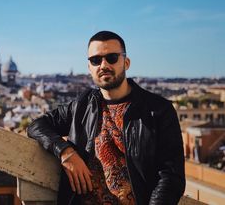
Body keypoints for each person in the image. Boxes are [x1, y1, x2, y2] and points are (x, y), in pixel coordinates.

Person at [27, 31, 185, 205]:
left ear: (126, 62)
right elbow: (36, 126)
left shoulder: (158, 110)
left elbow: (171, 177)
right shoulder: (81, 106)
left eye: (111, 57)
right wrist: (65, 152)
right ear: (89, 68)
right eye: (95, 60)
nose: (103, 65)